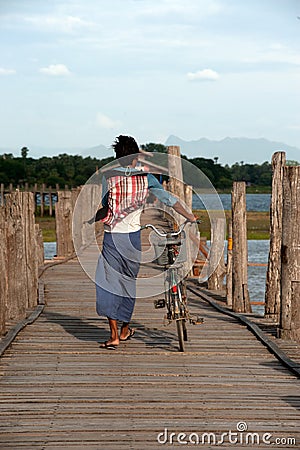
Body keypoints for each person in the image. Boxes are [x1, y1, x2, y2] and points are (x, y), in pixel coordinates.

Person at [94, 135, 196, 350]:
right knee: (128, 283)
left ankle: (113, 336)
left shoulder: (109, 177)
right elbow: (169, 199)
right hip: (132, 238)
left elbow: (105, 205)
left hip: (112, 236)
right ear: (135, 156)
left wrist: (93, 218)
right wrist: (190, 216)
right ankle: (125, 329)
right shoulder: (145, 176)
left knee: (110, 283)